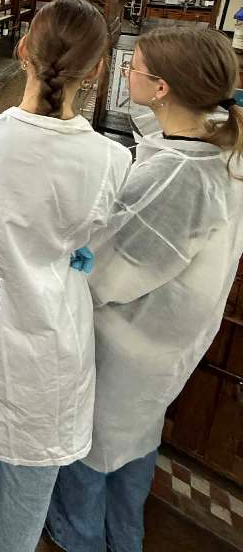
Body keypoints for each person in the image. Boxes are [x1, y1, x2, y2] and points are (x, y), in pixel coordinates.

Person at [0, 0, 132, 552]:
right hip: (54, 347)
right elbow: (88, 243)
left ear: (21, 51)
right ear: (98, 70)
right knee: (28, 492)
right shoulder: (113, 160)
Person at [46, 28, 243, 552]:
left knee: (91, 452)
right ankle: (123, 535)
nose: (123, 71)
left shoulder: (179, 178)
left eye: (133, 66)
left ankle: (78, 536)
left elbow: (107, 270)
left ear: (161, 88)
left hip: (127, 348)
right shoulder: (218, 142)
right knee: (132, 447)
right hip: (165, 349)